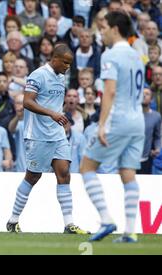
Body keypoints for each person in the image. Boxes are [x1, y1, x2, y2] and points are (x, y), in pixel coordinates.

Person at [6, 44, 88, 234]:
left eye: (70, 64)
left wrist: (58, 117)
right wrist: (52, 113)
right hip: (37, 135)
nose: (68, 67)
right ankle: (13, 219)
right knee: (33, 176)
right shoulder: (38, 75)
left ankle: (69, 224)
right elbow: (27, 102)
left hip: (57, 134)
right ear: (55, 59)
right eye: (65, 62)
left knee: (64, 174)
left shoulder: (61, 77)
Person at [80, 12, 145, 243]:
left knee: (87, 166)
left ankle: (106, 219)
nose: (101, 32)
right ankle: (129, 232)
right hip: (138, 121)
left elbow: (110, 91)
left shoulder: (111, 55)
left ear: (115, 29)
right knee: (127, 172)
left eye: (103, 27)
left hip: (118, 119)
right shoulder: (137, 55)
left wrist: (102, 124)